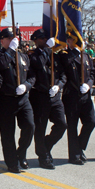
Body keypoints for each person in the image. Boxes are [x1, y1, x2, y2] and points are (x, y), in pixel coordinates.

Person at [0, 28, 35, 173]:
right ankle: (11, 162)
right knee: (8, 134)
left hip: (23, 98)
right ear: (2, 41)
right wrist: (10, 50)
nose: (12, 41)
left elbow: (32, 76)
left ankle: (21, 153)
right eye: (9, 39)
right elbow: (2, 65)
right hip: (6, 100)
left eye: (13, 39)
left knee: (29, 126)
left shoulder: (23, 57)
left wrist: (26, 86)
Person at [27, 29, 67, 170]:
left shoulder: (54, 56)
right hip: (40, 97)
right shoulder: (33, 56)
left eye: (46, 38)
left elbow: (63, 75)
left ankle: (45, 145)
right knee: (40, 128)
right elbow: (39, 65)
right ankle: (43, 157)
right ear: (36, 40)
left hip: (55, 96)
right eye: (42, 39)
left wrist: (58, 86)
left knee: (62, 124)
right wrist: (47, 50)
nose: (44, 40)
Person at [58, 35, 95, 165]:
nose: (79, 42)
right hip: (71, 95)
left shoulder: (86, 56)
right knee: (72, 126)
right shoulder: (64, 55)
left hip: (85, 95)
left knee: (90, 123)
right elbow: (66, 65)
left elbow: (91, 74)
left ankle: (79, 147)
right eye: (75, 40)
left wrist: (89, 85)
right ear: (68, 41)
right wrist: (75, 52)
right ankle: (74, 155)